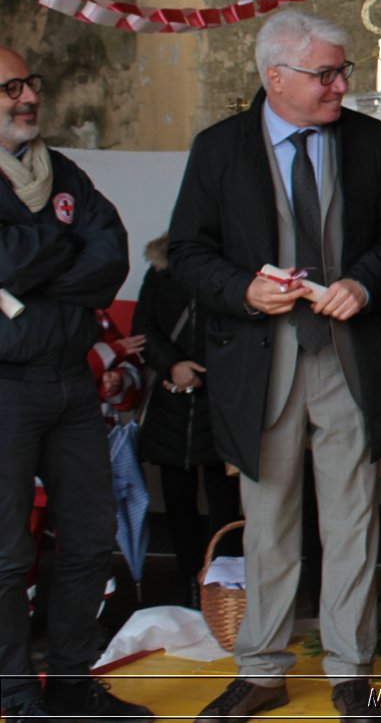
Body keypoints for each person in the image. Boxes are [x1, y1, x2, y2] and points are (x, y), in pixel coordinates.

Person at [169, 10, 381, 723]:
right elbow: (186, 251)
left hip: (346, 359)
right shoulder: (219, 149)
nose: (342, 84)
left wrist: (363, 282)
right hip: (262, 362)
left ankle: (350, 670)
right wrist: (239, 289)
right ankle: (262, 669)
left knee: (352, 521)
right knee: (268, 522)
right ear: (274, 77)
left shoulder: (367, 139)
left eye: (341, 71)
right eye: (327, 73)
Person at [0, 48, 150, 723]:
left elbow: (110, 256)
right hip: (6, 388)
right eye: (10, 87)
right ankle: (13, 693)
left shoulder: (65, 174)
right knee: (6, 556)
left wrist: (28, 270)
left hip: (70, 385)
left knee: (90, 542)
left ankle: (67, 686)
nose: (27, 96)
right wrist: (61, 246)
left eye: (31, 81)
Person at [133, 232, 241, 611]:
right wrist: (172, 365)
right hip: (172, 401)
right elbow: (144, 328)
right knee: (178, 502)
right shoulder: (161, 270)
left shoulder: (235, 265)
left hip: (223, 399)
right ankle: (190, 586)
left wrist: (222, 370)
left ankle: (223, 590)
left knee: (225, 502)